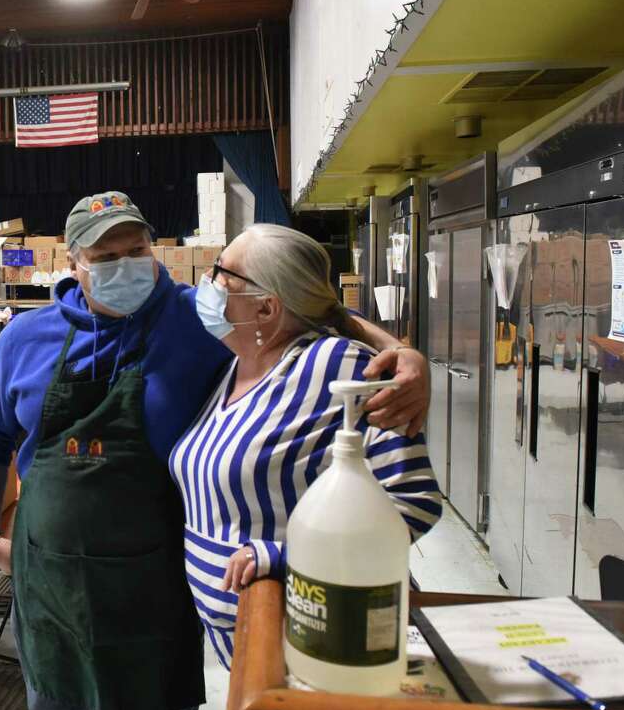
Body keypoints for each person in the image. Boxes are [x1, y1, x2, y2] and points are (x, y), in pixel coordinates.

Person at [0, 192, 430, 710]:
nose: (126, 266)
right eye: (106, 258)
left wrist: (405, 356)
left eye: (136, 250)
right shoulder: (25, 338)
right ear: (73, 263)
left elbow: (312, 312)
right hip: (51, 588)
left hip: (154, 590)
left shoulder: (202, 320)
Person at [173, 224, 442, 669]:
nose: (209, 284)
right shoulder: (236, 366)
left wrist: (283, 556)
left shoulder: (340, 365)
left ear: (266, 307)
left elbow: (413, 501)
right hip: (251, 642)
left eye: (223, 274)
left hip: (324, 634)